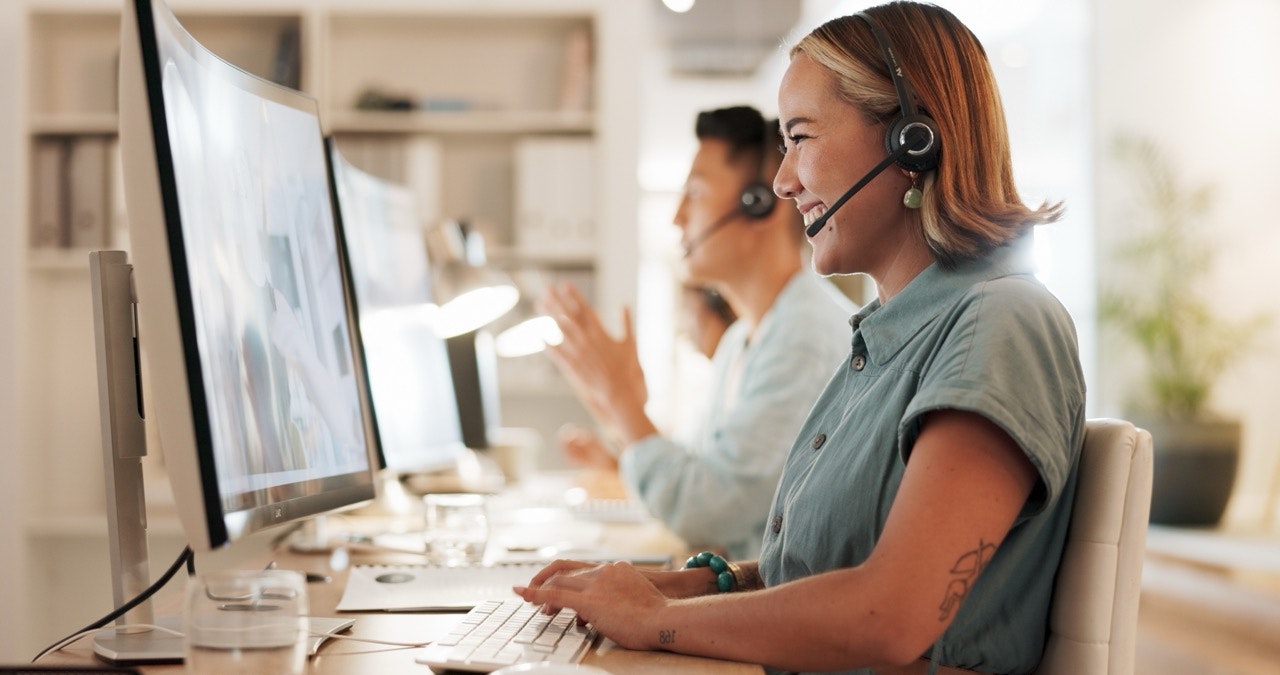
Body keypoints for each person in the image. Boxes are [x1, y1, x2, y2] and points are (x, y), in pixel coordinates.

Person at [517, 4, 1085, 674]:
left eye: (801, 138)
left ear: (912, 141)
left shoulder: (1003, 324)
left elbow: (889, 616)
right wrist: (683, 585)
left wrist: (658, 621)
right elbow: (826, 567)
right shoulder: (889, 337)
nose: (783, 181)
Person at [540, 105, 856, 560]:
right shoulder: (743, 339)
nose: (677, 217)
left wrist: (624, 406)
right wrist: (619, 420)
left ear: (759, 203)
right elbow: (702, 473)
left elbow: (705, 509)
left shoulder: (801, 339)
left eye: (695, 192)